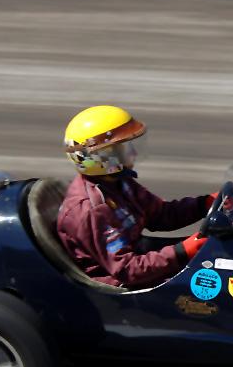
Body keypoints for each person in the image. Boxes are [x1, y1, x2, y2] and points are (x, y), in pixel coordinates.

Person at [56, 105, 211, 289]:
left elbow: (161, 215)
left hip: (140, 257)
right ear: (99, 157)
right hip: (121, 285)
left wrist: (206, 203)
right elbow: (128, 270)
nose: (133, 153)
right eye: (123, 149)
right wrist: (183, 251)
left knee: (215, 253)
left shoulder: (118, 183)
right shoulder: (91, 210)